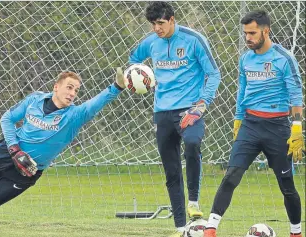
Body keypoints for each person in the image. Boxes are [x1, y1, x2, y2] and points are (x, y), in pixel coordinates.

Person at [0, 68, 126, 237]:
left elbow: (98, 102)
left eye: (76, 90)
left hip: (26, 172)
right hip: (5, 153)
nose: (72, 93)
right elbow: (7, 118)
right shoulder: (34, 100)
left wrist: (117, 86)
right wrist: (14, 149)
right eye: (69, 87)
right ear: (56, 87)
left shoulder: (75, 116)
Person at [203, 10, 303, 237]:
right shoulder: (245, 59)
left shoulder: (284, 58)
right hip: (250, 124)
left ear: (265, 31)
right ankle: (210, 229)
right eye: (245, 33)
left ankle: (296, 232)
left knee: (286, 185)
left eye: (252, 32)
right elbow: (242, 92)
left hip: (278, 128)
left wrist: (297, 128)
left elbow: (296, 95)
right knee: (231, 176)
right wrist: (238, 119)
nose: (247, 37)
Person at [128, 2, 221, 236]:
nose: (157, 28)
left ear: (172, 19)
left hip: (190, 110)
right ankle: (180, 226)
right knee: (171, 171)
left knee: (192, 143)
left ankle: (194, 201)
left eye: (161, 23)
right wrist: (139, 78)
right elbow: (134, 60)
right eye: (153, 24)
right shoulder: (151, 42)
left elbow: (213, 73)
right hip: (162, 112)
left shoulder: (193, 39)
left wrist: (201, 105)